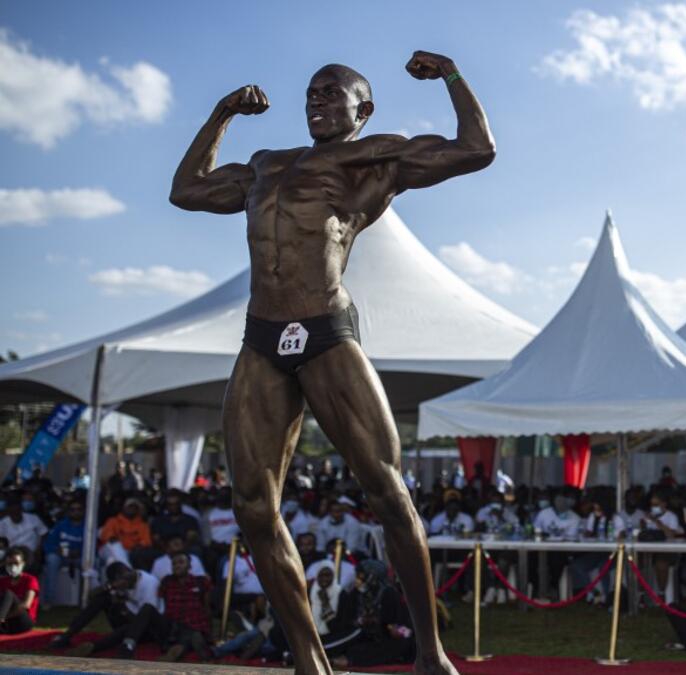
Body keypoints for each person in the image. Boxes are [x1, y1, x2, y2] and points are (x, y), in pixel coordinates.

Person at [170, 49, 493, 675]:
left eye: (330, 92)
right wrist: (220, 114)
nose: (316, 100)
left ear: (362, 109)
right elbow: (186, 190)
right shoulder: (266, 165)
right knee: (252, 506)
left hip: (324, 328)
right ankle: (308, 660)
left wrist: (451, 74)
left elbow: (477, 148)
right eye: (310, 93)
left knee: (388, 491)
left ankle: (430, 653)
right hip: (260, 337)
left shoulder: (376, 157)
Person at [53, 562, 162, 658]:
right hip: (129, 619)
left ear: (125, 575)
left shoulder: (149, 584)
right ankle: (67, 635)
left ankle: (94, 647)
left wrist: (123, 607)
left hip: (145, 629)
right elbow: (92, 595)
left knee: (126, 627)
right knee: (103, 598)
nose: (120, 587)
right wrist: (108, 587)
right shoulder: (126, 580)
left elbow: (145, 619)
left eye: (120, 582)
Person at [323, 560, 416, 668]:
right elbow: (346, 621)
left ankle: (338, 658)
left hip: (384, 638)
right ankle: (323, 650)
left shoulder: (389, 594)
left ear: (373, 578)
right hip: (361, 635)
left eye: (361, 577)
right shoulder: (355, 593)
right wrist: (360, 621)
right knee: (354, 635)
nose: (357, 581)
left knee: (400, 644)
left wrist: (382, 624)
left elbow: (397, 625)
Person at [157, 551, 213, 661]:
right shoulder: (166, 582)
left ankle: (174, 654)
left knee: (191, 634)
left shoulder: (200, 581)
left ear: (189, 566)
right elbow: (161, 605)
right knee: (191, 635)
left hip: (195, 622)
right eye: (174, 564)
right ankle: (200, 650)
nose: (177, 566)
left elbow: (207, 607)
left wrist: (211, 632)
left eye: (181, 562)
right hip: (173, 625)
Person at [41, 499, 84, 609]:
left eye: (79, 509)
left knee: (92, 562)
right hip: (61, 557)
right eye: (73, 509)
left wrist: (81, 552)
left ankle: (85, 600)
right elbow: (48, 544)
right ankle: (48, 600)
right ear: (68, 511)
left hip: (80, 558)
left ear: (83, 511)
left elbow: (94, 548)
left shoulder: (88, 526)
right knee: (51, 559)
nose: (76, 512)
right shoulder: (61, 525)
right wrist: (57, 550)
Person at [100, 498, 153, 569]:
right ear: (123, 508)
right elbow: (106, 535)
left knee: (111, 561)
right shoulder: (113, 521)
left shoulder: (143, 525)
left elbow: (146, 541)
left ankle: (124, 573)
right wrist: (112, 538)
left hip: (131, 552)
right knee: (116, 546)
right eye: (129, 506)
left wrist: (139, 545)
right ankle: (127, 570)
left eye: (135, 507)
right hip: (109, 549)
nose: (132, 509)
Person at [0, 498, 47, 568]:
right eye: (13, 512)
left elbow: (44, 534)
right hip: (13, 552)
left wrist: (39, 548)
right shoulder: (3, 523)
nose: (16, 514)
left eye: (17, 511)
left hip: (33, 552)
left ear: (21, 510)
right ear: (8, 512)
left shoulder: (33, 519)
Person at [0, 548, 38, 634]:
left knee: (8, 594)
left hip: (23, 621)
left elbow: (26, 605)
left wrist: (4, 617)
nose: (13, 566)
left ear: (23, 564)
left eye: (16, 563)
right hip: (8, 622)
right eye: (9, 564)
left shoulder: (30, 580)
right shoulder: (2, 581)